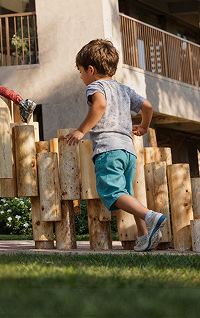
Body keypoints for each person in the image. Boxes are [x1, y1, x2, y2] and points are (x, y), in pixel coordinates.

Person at [61, 38, 168, 252]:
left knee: (111, 192)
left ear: (91, 70)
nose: (81, 76)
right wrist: (143, 127)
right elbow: (147, 106)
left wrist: (81, 130)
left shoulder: (95, 86)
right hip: (128, 150)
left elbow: (100, 104)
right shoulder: (124, 89)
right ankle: (144, 236)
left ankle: (151, 217)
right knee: (126, 193)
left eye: (80, 71)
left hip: (108, 149)